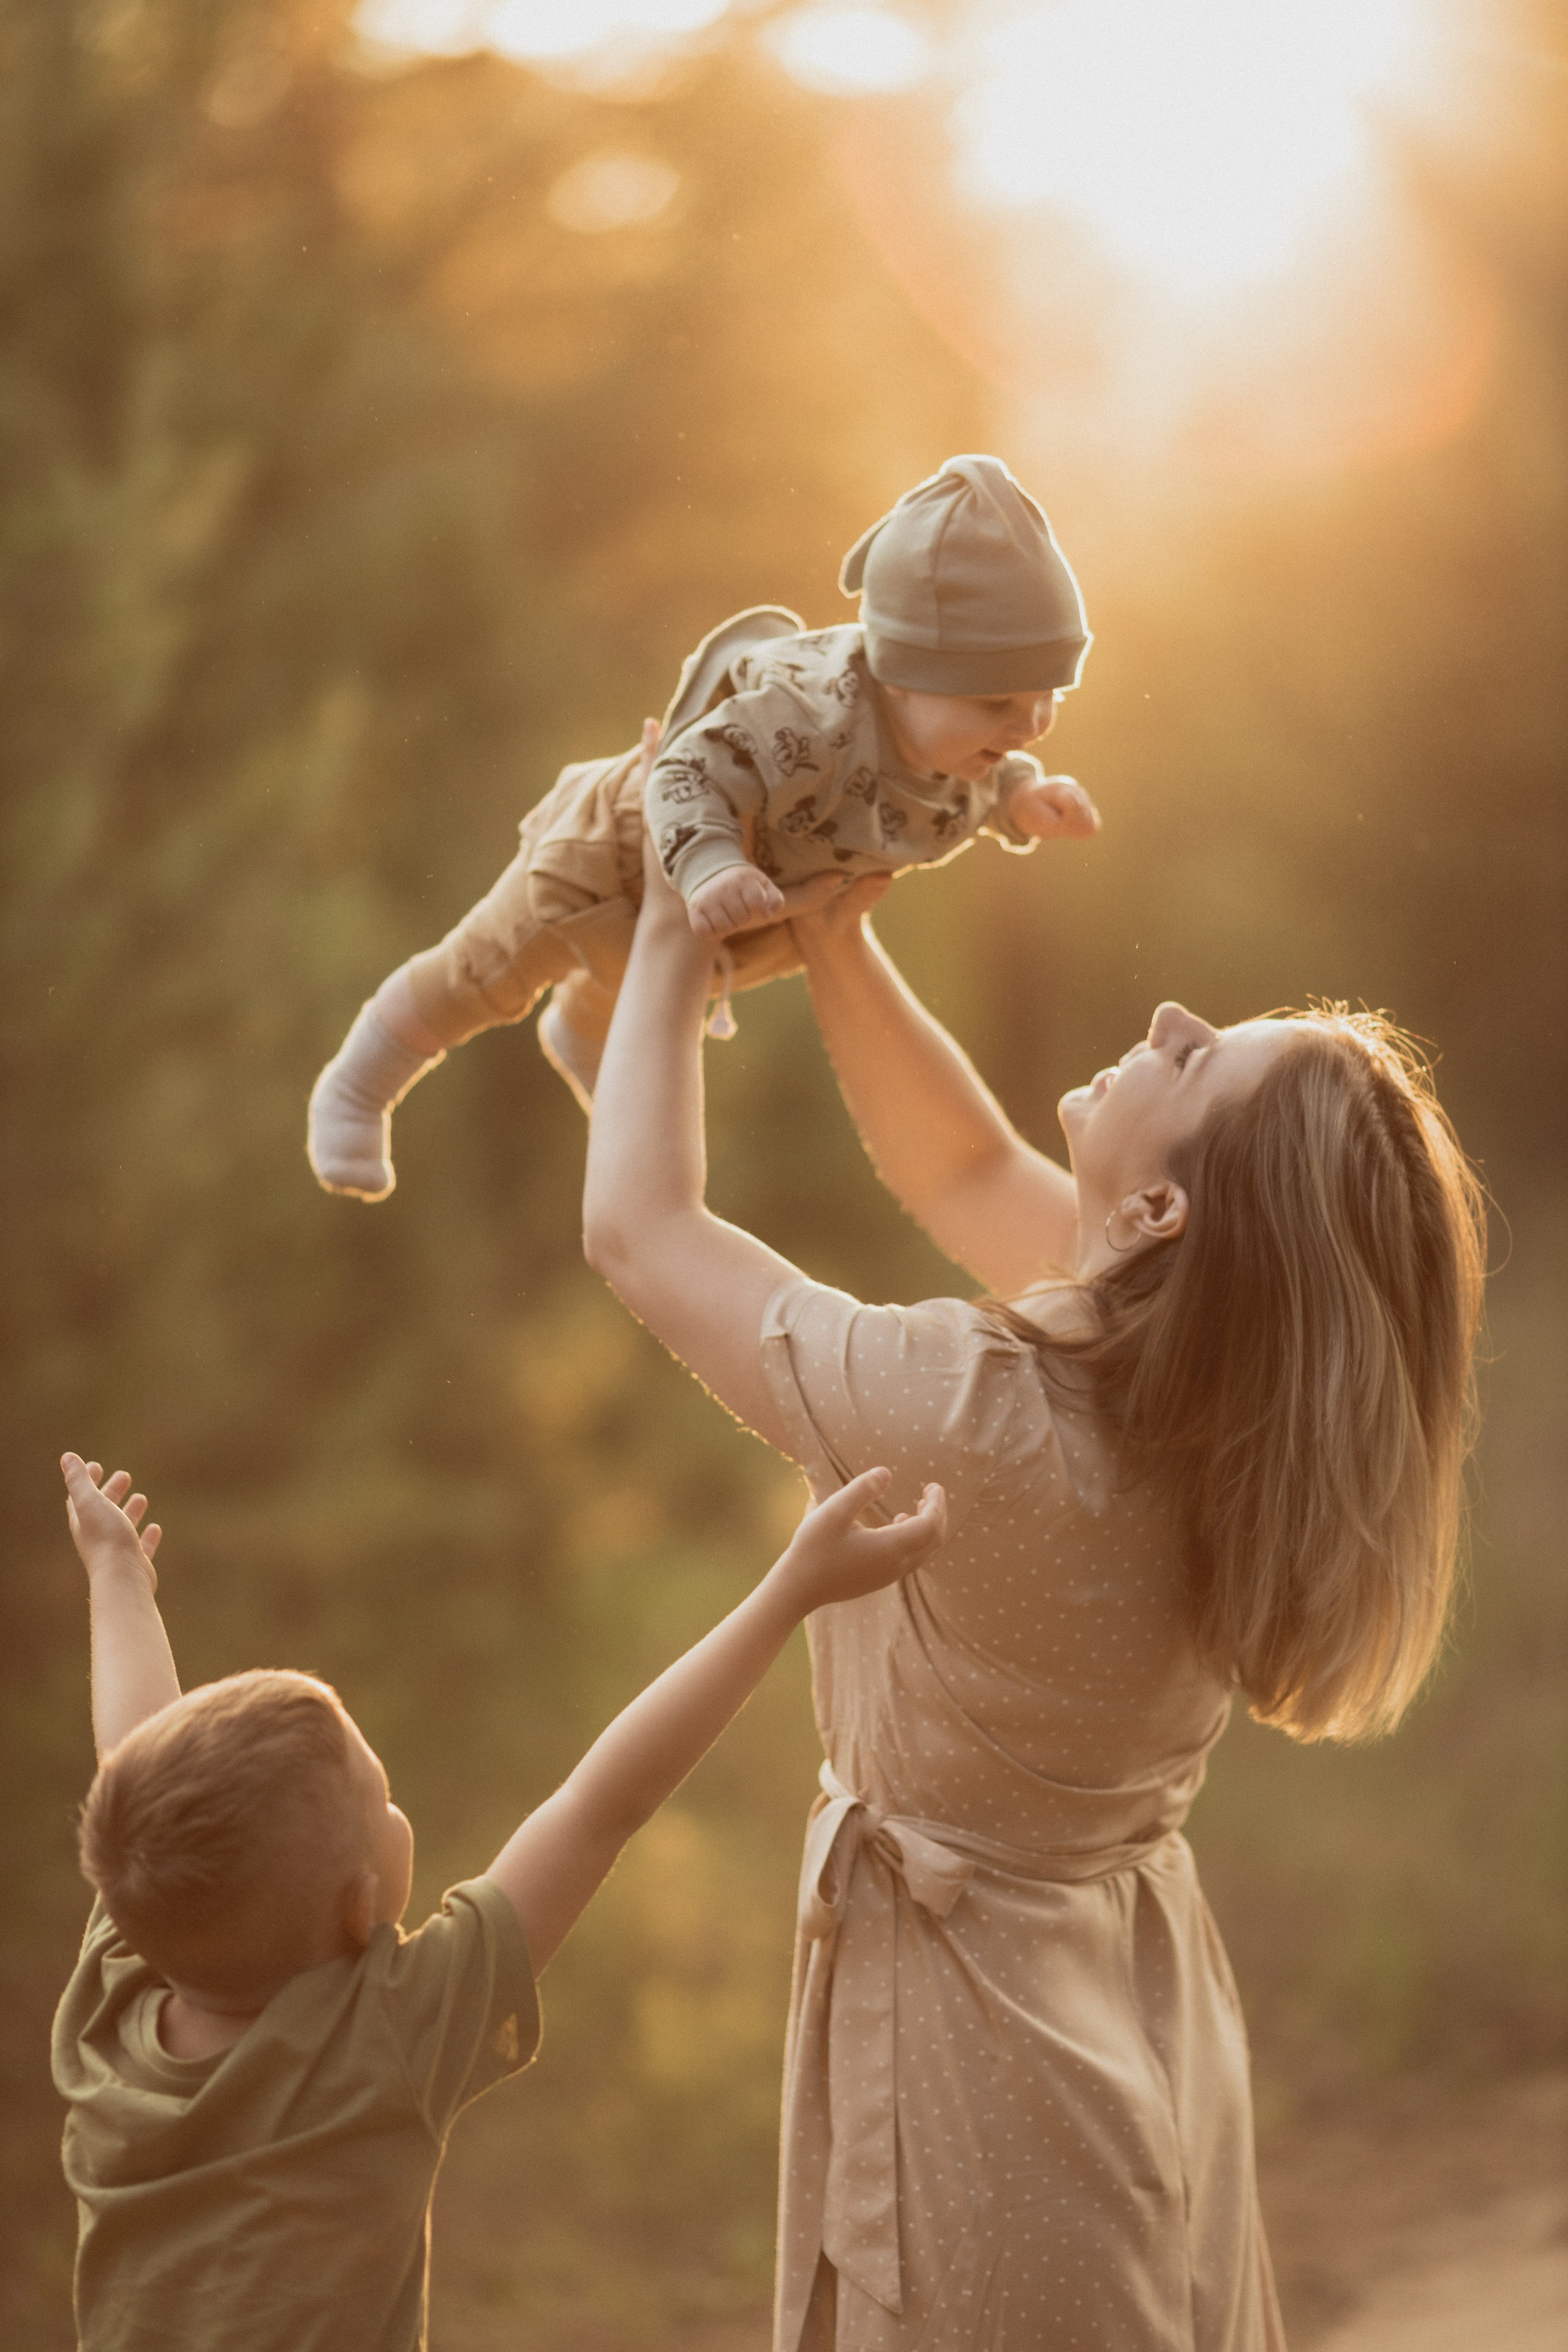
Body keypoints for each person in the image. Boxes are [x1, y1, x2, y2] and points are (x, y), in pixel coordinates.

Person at [580, 810, 1487, 2351]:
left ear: (1158, 1217)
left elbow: (642, 1230)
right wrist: (837, 939)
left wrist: (673, 920)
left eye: (1198, 1062)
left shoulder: (976, 1417)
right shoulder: (1220, 1404)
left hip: (975, 2042)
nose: (1166, 1018)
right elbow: (958, 1166)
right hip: (1124, 1999)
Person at [51, 1448, 946, 2352]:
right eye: (385, 1801)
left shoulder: (123, 1979)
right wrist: (786, 1594)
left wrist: (117, 1575)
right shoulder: (384, 2036)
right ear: (360, 1908)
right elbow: (600, 1808)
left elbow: (135, 1762)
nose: (398, 1812)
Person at [307, 454, 1099, 1198]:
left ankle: (584, 1037)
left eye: (1048, 696)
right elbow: (687, 771)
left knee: (650, 1004)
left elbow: (974, 777)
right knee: (484, 975)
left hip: (753, 915)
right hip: (615, 862)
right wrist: (713, 861)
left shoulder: (955, 738)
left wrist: (1022, 799)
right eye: (1001, 703)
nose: (1033, 724)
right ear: (904, 674)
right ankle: (360, 1081)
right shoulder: (804, 715)